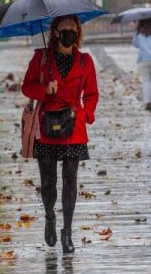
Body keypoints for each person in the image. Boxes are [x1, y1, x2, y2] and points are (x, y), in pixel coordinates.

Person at [21, 15, 99, 253]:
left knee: (70, 183)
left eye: (72, 29)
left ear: (78, 31)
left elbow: (92, 93)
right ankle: (49, 217)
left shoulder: (85, 61)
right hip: (46, 128)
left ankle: (67, 231)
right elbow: (26, 87)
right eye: (64, 28)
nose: (68, 33)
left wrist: (85, 114)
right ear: (54, 32)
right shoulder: (41, 57)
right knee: (48, 183)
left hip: (73, 129)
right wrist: (45, 89)